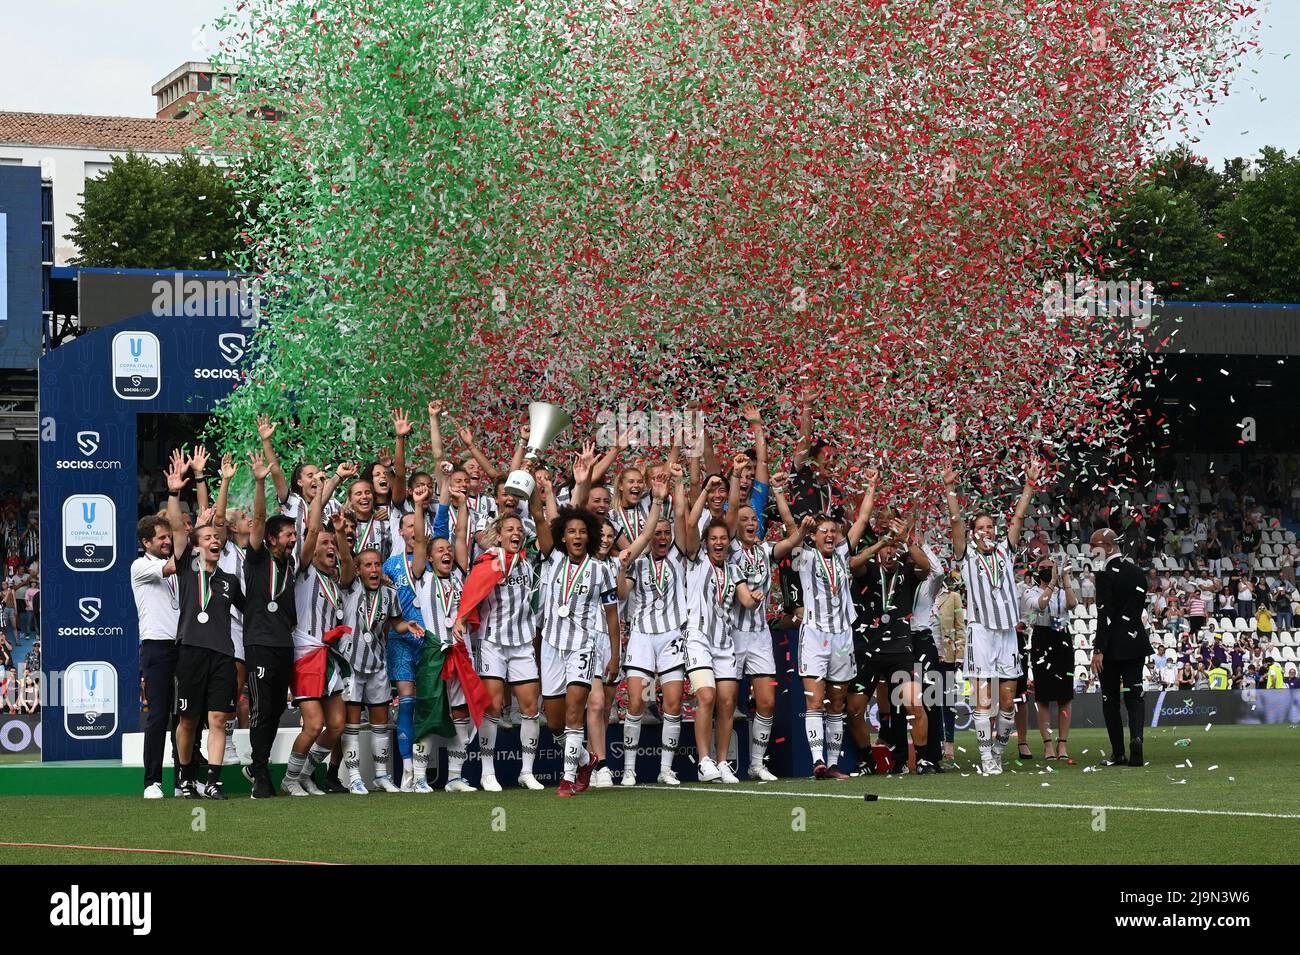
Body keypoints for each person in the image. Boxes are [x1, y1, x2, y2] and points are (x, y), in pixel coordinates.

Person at [943, 459, 1041, 775]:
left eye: (990, 527)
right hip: (981, 631)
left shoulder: (1004, 550)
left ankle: (999, 747)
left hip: (1007, 632)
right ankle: (986, 757)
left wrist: (1028, 485)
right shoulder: (966, 554)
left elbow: (1019, 516)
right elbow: (956, 523)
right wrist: (950, 490)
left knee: (1009, 702)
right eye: (980, 528)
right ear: (972, 535)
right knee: (983, 698)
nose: (986, 531)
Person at [453, 488, 545, 792]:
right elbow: (472, 592)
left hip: (520, 643)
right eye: (509, 530)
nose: (516, 533)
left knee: (530, 706)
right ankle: (487, 772)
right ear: (499, 535)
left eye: (519, 529)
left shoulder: (527, 564)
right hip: (492, 641)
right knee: (492, 707)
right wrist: (461, 619)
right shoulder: (488, 562)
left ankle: (526, 772)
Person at [165, 451, 244, 799]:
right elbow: (176, 528)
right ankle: (184, 778)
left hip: (223, 655)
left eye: (218, 538)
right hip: (190, 652)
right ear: (195, 545)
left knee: (217, 719)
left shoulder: (229, 580)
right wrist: (173, 492)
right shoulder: (185, 569)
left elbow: (251, 612)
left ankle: (213, 780)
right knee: (187, 721)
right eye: (207, 537)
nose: (214, 540)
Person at [533, 486, 621, 797]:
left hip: (583, 647)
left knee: (574, 713)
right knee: (555, 722)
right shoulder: (553, 559)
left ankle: (568, 779)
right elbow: (538, 518)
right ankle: (585, 760)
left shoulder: (602, 571)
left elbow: (612, 616)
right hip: (552, 645)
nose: (577, 536)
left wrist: (614, 655)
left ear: (591, 536)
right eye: (571, 531)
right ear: (563, 536)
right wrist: (533, 486)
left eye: (583, 531)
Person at [682, 485, 768, 784]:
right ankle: (704, 761)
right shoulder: (695, 561)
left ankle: (722, 762)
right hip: (697, 639)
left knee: (728, 702)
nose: (718, 542)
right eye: (713, 539)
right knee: (707, 696)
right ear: (705, 543)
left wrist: (755, 597)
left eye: (722, 539)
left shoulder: (733, 570)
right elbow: (691, 524)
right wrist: (707, 491)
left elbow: (744, 599)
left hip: (724, 643)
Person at [727, 467, 808, 781]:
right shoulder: (728, 549)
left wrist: (779, 494)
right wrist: (736, 480)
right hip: (731, 635)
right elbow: (733, 510)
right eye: (744, 519)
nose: (750, 523)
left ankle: (757, 764)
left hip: (759, 635)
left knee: (767, 700)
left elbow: (794, 539)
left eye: (754, 519)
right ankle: (720, 761)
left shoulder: (765, 551)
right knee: (727, 702)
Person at [281, 464, 356, 795]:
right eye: (323, 543)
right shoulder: (304, 571)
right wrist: (333, 482)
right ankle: (289, 779)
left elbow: (350, 573)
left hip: (330, 657)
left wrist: (339, 536)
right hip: (306, 653)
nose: (328, 548)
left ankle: (307, 773)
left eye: (332, 545)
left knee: (337, 724)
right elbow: (311, 529)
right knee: (313, 724)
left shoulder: (336, 577)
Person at [796, 476, 874, 779]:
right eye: (823, 531)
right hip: (815, 633)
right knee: (815, 700)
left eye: (833, 531)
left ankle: (831, 763)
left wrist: (870, 486)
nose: (829, 535)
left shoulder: (843, 554)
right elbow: (794, 531)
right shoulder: (804, 557)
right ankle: (817, 760)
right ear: (814, 536)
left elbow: (863, 519)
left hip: (842, 635)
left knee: (838, 701)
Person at [848, 511, 937, 774]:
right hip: (867, 650)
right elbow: (853, 564)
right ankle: (866, 758)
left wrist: (905, 539)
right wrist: (881, 541)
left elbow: (927, 567)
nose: (889, 553)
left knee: (915, 704)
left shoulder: (908, 569)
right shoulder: (869, 569)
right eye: (885, 548)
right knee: (854, 709)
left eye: (892, 548)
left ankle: (922, 759)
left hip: (900, 649)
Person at [617, 469, 689, 786]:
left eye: (665, 533)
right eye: (656, 533)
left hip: (673, 634)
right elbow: (622, 593)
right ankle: (629, 769)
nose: (661, 537)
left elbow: (686, 514)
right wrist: (620, 568)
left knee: (673, 704)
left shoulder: (680, 556)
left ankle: (665, 770)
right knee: (634, 702)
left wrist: (675, 488)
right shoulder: (639, 560)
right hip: (642, 635)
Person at [242, 449, 299, 799]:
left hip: (284, 644)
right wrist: (261, 482)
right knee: (262, 709)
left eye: (295, 534)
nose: (293, 538)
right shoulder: (258, 558)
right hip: (259, 642)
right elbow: (260, 519)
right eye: (288, 534)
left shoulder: (292, 564)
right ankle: (260, 772)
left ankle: (256, 764)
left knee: (276, 708)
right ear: (272, 539)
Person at [338, 546, 406, 794]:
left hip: (377, 664)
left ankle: (381, 776)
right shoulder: (350, 588)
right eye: (367, 565)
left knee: (380, 722)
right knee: (352, 723)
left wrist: (409, 626)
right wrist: (339, 536)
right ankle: (355, 776)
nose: (374, 569)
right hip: (351, 664)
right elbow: (345, 559)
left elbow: (396, 623)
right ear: (358, 570)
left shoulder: (389, 594)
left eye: (377, 564)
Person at [1090, 527, 1154, 767]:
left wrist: (1099, 649)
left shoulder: (1104, 573)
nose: (1092, 553)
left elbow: (1104, 614)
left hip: (1112, 647)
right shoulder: (1137, 572)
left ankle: (1118, 752)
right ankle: (1137, 738)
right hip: (1135, 642)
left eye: (1094, 548)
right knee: (1135, 695)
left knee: (1110, 699)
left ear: (1107, 547)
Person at [131, 510, 183, 799]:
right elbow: (176, 563)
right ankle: (152, 781)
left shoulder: (169, 565)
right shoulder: (140, 566)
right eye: (162, 537)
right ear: (146, 542)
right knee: (159, 716)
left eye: (169, 536)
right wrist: (189, 527)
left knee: (185, 716)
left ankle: (182, 780)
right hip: (156, 647)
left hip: (183, 647)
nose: (167, 541)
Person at [1024, 556, 1077, 763]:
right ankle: (1047, 744)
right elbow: (1039, 606)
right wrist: (1052, 583)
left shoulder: (1065, 591)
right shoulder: (1030, 591)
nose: (1046, 570)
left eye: (1050, 567)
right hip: (1042, 637)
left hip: (1062, 637)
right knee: (1043, 696)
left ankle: (1062, 743)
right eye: (1042, 567)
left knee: (1065, 695)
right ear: (1037, 571)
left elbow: (1072, 604)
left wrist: (1064, 580)